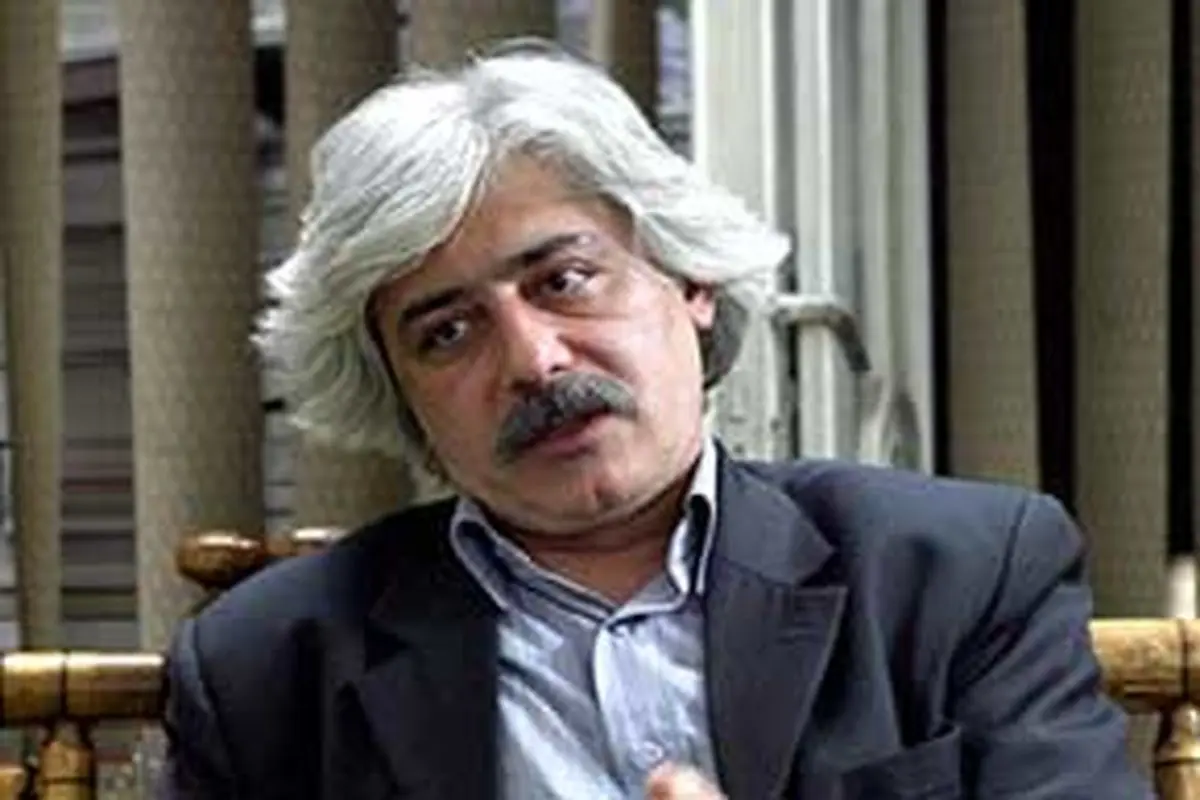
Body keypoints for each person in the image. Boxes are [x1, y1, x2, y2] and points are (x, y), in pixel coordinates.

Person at [159, 40, 1151, 800]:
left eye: (564, 279)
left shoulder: (956, 575)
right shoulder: (269, 667)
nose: (533, 359)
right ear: (398, 391)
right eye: (447, 331)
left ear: (689, 278)